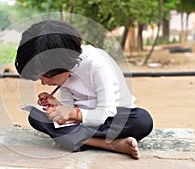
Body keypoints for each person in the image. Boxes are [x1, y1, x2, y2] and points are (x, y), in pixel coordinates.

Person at [15, 20, 153, 159]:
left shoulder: (97, 64)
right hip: (84, 122)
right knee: (35, 117)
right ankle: (112, 144)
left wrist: (72, 114)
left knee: (142, 120)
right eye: (40, 77)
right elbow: (69, 109)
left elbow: (106, 111)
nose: (44, 82)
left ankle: (72, 139)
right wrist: (58, 107)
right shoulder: (64, 72)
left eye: (48, 75)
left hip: (111, 117)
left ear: (66, 64)